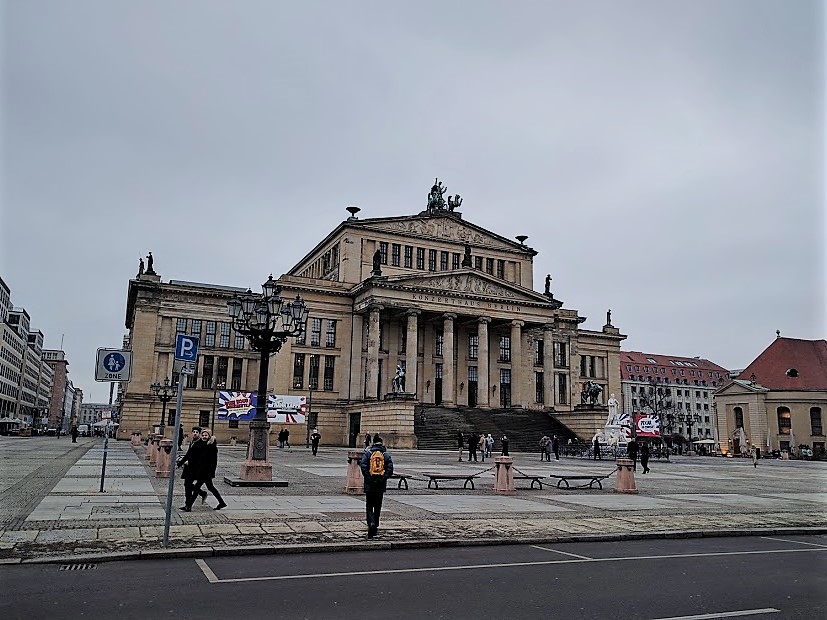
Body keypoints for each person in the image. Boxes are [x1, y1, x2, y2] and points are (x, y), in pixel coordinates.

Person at [359, 434, 393, 539]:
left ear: (373, 443)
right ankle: (376, 525)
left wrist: (369, 478)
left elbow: (363, 466)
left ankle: (371, 523)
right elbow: (390, 470)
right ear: (381, 443)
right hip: (380, 485)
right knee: (378, 506)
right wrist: (382, 479)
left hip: (369, 484)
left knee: (369, 505)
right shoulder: (385, 454)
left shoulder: (368, 453)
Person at [190, 429, 227, 511]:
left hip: (206, 472)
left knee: (196, 487)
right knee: (210, 487)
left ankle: (189, 506)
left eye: (206, 435)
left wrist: (211, 472)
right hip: (202, 471)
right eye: (203, 435)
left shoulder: (211, 446)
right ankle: (221, 502)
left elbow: (213, 461)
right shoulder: (202, 444)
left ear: (209, 436)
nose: (204, 437)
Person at [177, 426, 207, 511]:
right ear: (191, 433)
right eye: (194, 432)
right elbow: (188, 454)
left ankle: (188, 505)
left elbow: (200, 458)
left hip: (195, 468)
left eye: (197, 432)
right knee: (187, 485)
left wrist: (190, 462)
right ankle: (190, 502)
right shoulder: (192, 442)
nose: (195, 433)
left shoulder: (201, 443)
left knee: (188, 485)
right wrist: (180, 463)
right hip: (189, 468)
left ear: (199, 434)